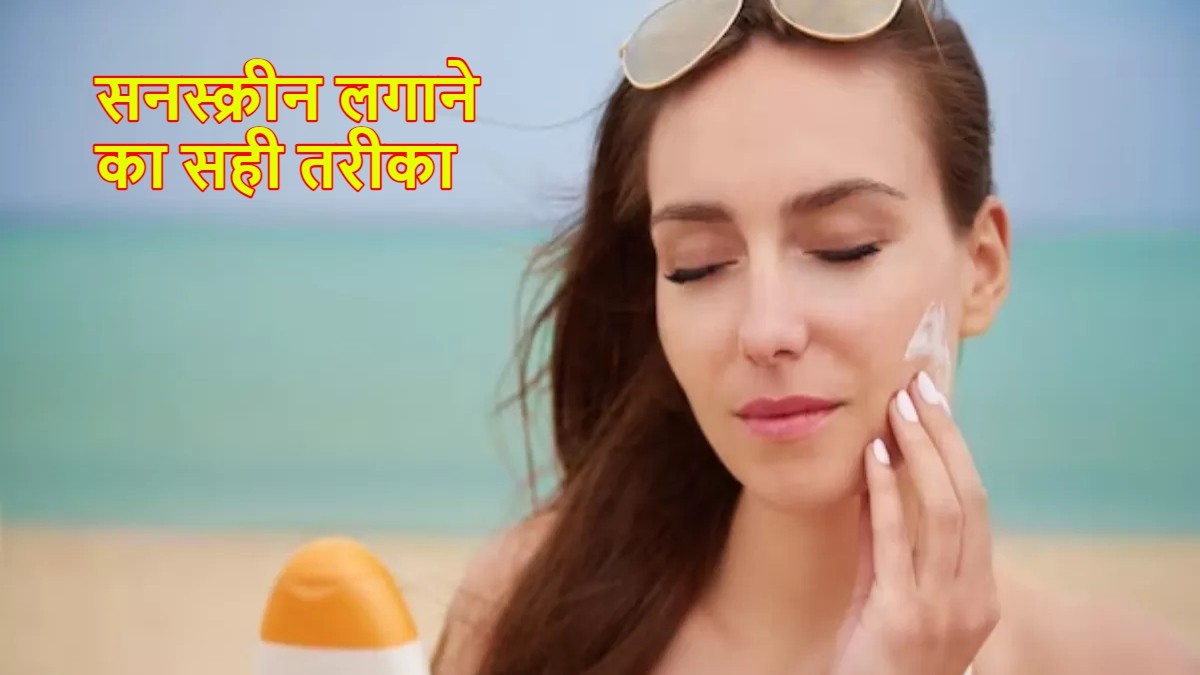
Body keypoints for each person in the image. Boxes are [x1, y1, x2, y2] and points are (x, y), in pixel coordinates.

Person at [431, 1, 1199, 673]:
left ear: (983, 267)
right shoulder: (525, 608)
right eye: (699, 265)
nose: (766, 329)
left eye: (844, 247)